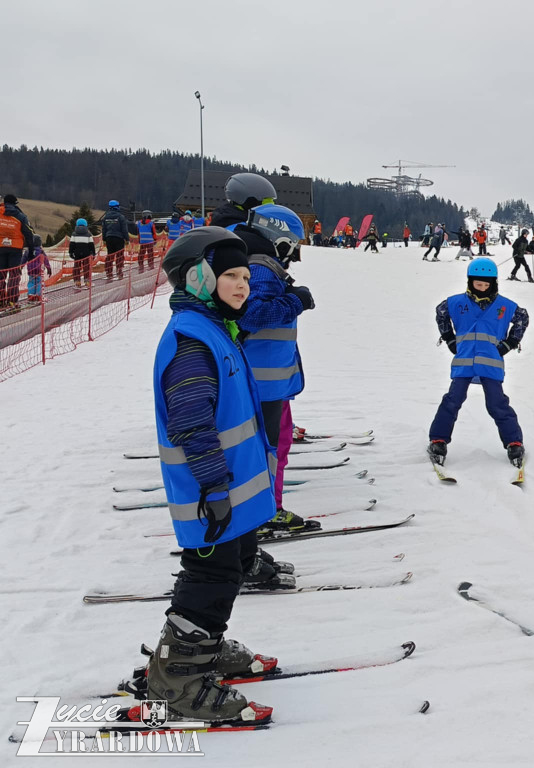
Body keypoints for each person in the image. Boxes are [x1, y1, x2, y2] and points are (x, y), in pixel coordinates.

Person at [143, 225, 279, 727]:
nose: (243, 285)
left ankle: (205, 647)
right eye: (230, 275)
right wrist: (214, 487)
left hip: (231, 495)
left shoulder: (217, 329)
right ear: (200, 279)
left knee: (236, 564)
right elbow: (191, 423)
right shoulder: (192, 341)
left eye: (246, 275)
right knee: (211, 577)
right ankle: (178, 678)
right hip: (210, 495)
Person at [236, 204, 319, 533]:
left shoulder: (259, 264)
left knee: (277, 442)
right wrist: (296, 300)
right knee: (268, 447)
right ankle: (263, 512)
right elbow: (252, 315)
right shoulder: (260, 267)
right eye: (293, 243)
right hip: (262, 380)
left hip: (267, 379)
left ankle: (267, 505)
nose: (294, 251)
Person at [427, 257, 529, 467]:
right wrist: (449, 339)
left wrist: (510, 343)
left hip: (491, 364)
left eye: (486, 285)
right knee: (452, 401)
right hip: (464, 362)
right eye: (477, 284)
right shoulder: (457, 303)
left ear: (493, 284)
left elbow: (522, 317)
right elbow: (441, 313)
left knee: (497, 404)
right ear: (470, 281)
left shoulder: (504, 306)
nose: (482, 288)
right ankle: (438, 439)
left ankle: (514, 442)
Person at [0, 194, 34, 309]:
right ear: (15, 203)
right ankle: (11, 301)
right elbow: (29, 233)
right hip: (15, 248)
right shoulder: (20, 216)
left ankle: (0, 301)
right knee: (14, 275)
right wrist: (31, 249)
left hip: (0, 247)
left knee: (1, 275)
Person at [102, 200, 130, 281]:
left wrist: (104, 239)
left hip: (109, 238)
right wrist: (127, 239)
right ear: (117, 207)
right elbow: (124, 229)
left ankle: (109, 272)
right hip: (119, 238)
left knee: (110, 255)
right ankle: (119, 271)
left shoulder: (105, 217)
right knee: (119, 255)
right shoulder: (121, 217)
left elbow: (104, 229)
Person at [69, 217, 96, 289]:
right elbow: (91, 245)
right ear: (85, 225)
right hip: (86, 254)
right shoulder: (88, 234)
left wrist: (71, 253)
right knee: (86, 267)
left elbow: (72, 244)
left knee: (76, 268)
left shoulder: (74, 234)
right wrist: (93, 253)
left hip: (77, 254)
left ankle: (77, 282)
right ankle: (87, 281)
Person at [23, 235, 52, 302]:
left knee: (31, 282)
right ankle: (38, 295)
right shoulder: (41, 251)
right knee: (39, 283)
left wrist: (20, 268)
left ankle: (31, 295)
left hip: (31, 271)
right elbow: (46, 261)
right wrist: (48, 268)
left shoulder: (28, 251)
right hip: (39, 270)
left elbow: (23, 260)